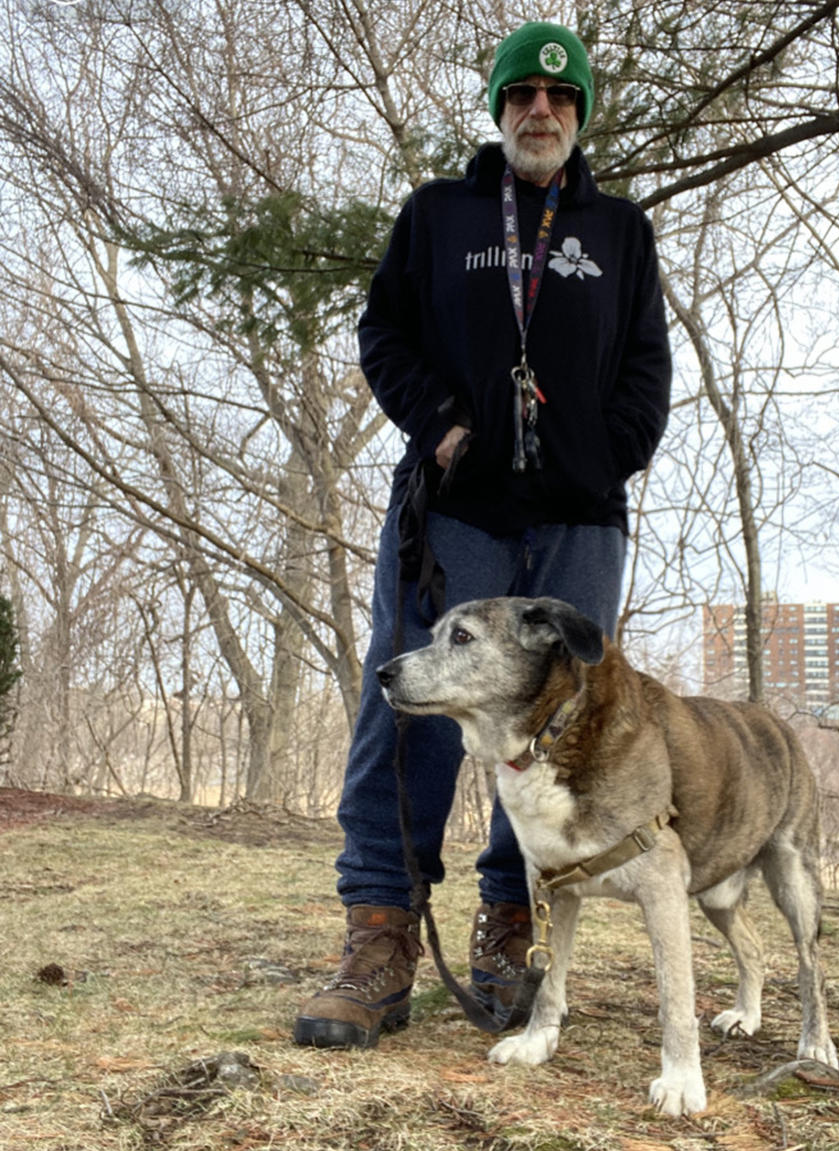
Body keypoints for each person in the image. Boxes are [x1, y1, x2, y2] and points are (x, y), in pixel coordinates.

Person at [294, 20, 671, 1050]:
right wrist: (450, 426)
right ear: (500, 108)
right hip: (454, 511)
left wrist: (603, 458)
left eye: (558, 97)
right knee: (405, 702)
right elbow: (384, 335)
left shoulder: (620, 234)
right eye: (521, 96)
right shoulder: (439, 215)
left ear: (581, 112)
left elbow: (646, 378)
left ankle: (515, 922)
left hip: (576, 522)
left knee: (561, 726)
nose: (539, 110)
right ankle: (378, 935)